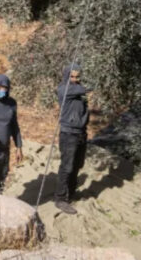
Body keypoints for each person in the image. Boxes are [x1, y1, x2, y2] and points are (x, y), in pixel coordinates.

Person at [54, 65, 90, 215]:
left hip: (81, 133)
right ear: (66, 76)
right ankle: (60, 199)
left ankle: (71, 193)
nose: (75, 79)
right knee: (67, 167)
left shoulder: (79, 91)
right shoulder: (64, 89)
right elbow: (88, 88)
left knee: (77, 165)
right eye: (72, 76)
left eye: (77, 77)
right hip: (68, 134)